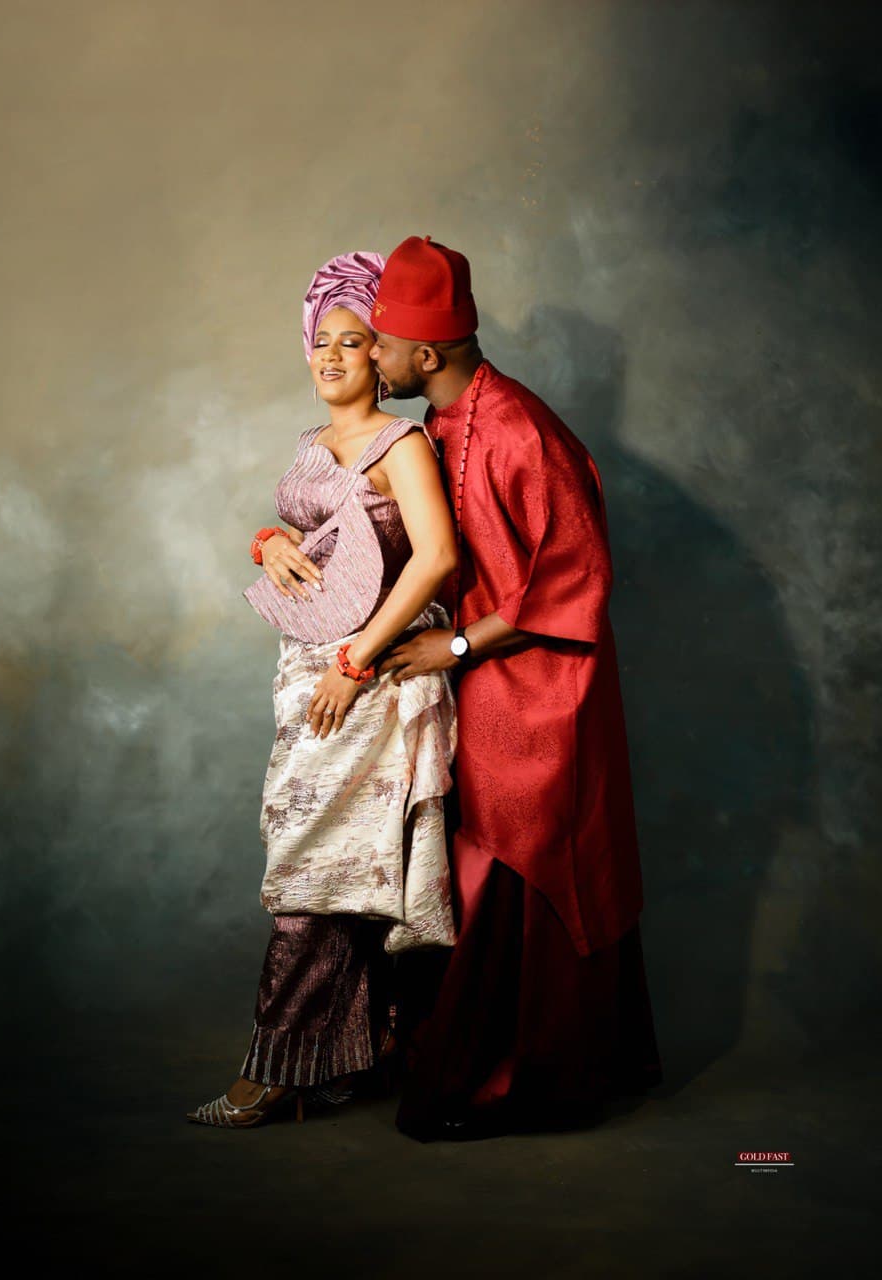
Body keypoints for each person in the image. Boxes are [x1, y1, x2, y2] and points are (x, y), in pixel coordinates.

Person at [369, 235, 663, 1141]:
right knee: (472, 862)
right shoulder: (442, 426)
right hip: (481, 683)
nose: (373, 358)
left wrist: (454, 644)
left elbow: (576, 580)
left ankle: (525, 1086)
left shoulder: (517, 430)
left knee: (523, 864)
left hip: (546, 692)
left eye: (382, 344)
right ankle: (471, 1057)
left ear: (428, 354)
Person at [187, 251, 459, 1128]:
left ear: (381, 352)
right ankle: (345, 1061)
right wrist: (267, 540)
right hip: (304, 670)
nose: (335, 357)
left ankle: (269, 1073)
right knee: (328, 866)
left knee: (313, 870)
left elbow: (437, 558)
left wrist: (356, 663)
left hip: (365, 673)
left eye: (354, 342)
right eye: (322, 344)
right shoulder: (313, 446)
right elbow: (319, 542)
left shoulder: (399, 443)